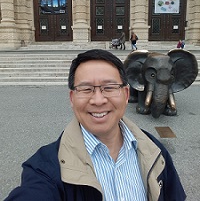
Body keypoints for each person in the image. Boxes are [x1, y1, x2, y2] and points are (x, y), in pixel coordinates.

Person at [5, 49, 186, 201]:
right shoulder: (43, 168)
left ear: (125, 94)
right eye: (86, 89)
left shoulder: (156, 151)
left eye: (109, 87)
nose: (98, 100)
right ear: (72, 98)